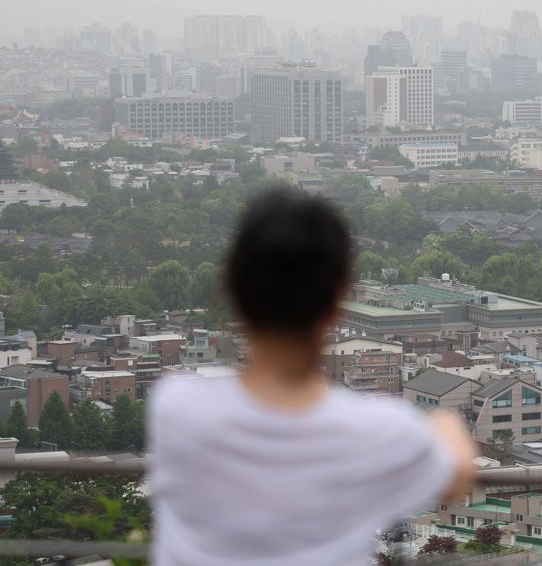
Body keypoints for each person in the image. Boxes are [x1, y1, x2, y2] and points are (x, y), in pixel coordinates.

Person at [148, 189, 477, 565]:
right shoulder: (378, 430)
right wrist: (445, 422)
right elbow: (457, 473)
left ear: (234, 291)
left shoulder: (177, 407)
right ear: (339, 300)